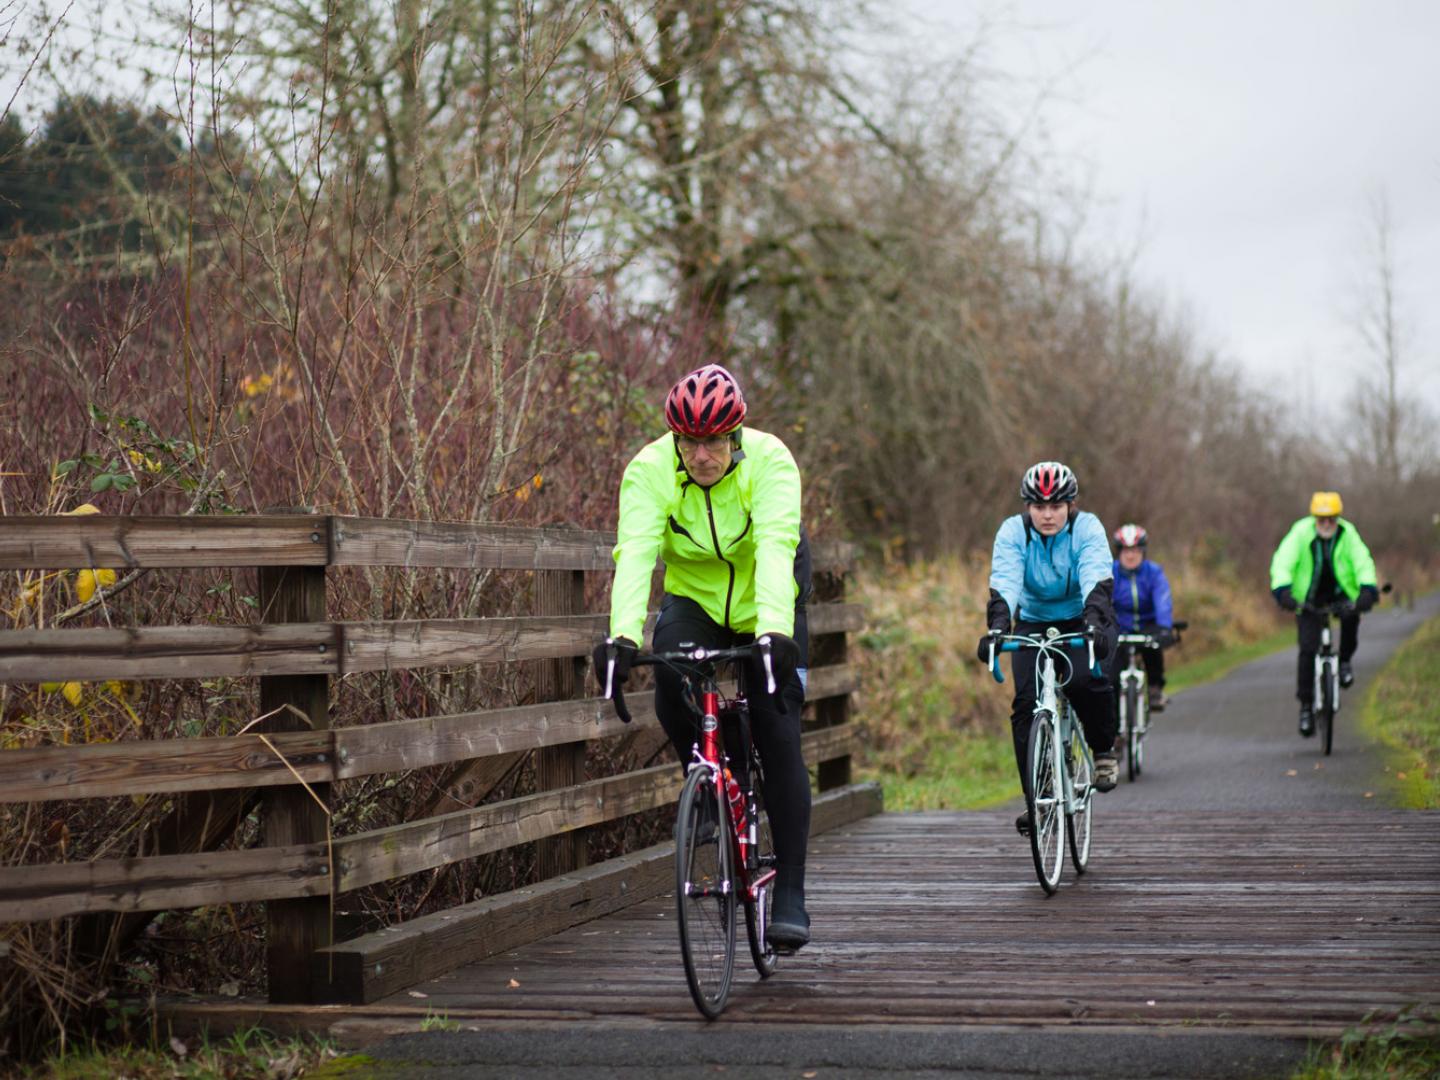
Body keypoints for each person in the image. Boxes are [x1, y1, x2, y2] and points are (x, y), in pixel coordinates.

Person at [592, 363, 815, 950]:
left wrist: (772, 632)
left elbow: (774, 547)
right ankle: (716, 781)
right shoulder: (649, 470)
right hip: (695, 595)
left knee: (777, 720)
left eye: (713, 441)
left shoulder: (771, 463)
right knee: (669, 679)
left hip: (769, 592)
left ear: (735, 435)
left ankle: (789, 889)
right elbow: (636, 553)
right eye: (689, 442)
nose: (701, 455)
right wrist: (620, 639)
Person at [977, 460, 1120, 837]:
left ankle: (1104, 749)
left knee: (1085, 682)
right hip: (1033, 620)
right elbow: (1005, 580)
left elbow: (1095, 573)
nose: (1047, 514)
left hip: (1084, 615)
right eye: (1039, 507)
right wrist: (996, 628)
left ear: (1070, 505)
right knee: (1025, 705)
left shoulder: (1087, 528)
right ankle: (1036, 799)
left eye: (1056, 506)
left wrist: (1094, 622)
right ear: (1028, 507)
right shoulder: (1013, 532)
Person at [1269, 491, 1379, 737]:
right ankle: (1306, 707)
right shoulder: (1300, 532)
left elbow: (1363, 562)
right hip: (1308, 598)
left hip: (1341, 593)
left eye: (1331, 519)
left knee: (1351, 617)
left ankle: (1346, 662)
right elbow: (1283, 562)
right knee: (1308, 649)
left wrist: (1367, 591)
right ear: (1314, 518)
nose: (1326, 524)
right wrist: (1283, 592)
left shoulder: (1348, 534)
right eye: (1321, 519)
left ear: (1338, 518)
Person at [1111, 523, 1176, 711]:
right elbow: (1104, 601)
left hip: (1148, 624)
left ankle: (1155, 689)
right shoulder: (1110, 572)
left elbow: (1163, 600)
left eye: (1135, 550)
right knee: (1111, 675)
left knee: (1153, 646)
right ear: (1119, 552)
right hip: (1120, 626)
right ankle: (1115, 729)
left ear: (1143, 551)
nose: (1130, 556)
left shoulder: (1153, 572)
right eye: (1125, 551)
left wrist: (1165, 627)